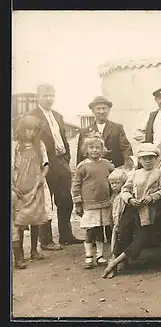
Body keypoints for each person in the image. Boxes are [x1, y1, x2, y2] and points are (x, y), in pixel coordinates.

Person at [26, 84, 83, 249]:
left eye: (51, 95)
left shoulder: (58, 116)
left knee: (65, 200)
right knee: (45, 201)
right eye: (45, 96)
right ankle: (46, 240)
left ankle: (66, 235)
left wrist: (66, 157)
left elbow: (63, 138)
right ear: (38, 97)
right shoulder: (32, 116)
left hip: (61, 162)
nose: (49, 99)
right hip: (43, 164)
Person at [102, 143, 161, 278]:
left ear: (156, 159)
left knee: (139, 241)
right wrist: (130, 199)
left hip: (147, 211)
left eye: (151, 158)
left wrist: (152, 197)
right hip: (132, 208)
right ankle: (117, 261)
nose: (148, 161)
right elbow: (125, 189)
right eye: (144, 158)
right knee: (121, 233)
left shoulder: (160, 174)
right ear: (140, 160)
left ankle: (114, 263)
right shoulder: (135, 173)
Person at [76, 95, 133, 242]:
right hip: (94, 175)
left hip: (113, 172)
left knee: (112, 203)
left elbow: (126, 148)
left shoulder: (117, 127)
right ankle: (94, 238)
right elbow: (81, 156)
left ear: (108, 110)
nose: (101, 111)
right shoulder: (85, 131)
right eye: (98, 109)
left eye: (104, 108)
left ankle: (113, 236)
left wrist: (127, 167)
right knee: (95, 204)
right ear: (93, 111)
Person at [11, 115, 50, 268]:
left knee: (35, 218)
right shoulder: (15, 146)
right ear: (22, 129)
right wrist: (12, 186)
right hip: (19, 188)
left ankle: (34, 250)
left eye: (33, 130)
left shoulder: (39, 145)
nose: (30, 133)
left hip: (35, 187)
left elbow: (46, 164)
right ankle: (19, 254)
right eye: (27, 129)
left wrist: (42, 176)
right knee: (19, 221)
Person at [72, 134, 115, 269]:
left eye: (97, 147)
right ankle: (89, 256)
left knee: (101, 229)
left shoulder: (107, 164)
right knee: (91, 230)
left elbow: (116, 177)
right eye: (91, 147)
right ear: (86, 149)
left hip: (105, 202)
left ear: (102, 149)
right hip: (89, 204)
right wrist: (78, 203)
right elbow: (76, 185)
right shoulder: (82, 166)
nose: (94, 150)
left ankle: (100, 255)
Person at [107, 168, 129, 277]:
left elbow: (118, 212)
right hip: (114, 223)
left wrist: (116, 223)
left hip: (119, 223)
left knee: (117, 244)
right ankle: (119, 263)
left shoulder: (121, 197)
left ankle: (116, 265)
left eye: (117, 183)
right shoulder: (114, 196)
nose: (114, 186)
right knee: (116, 243)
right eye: (112, 183)